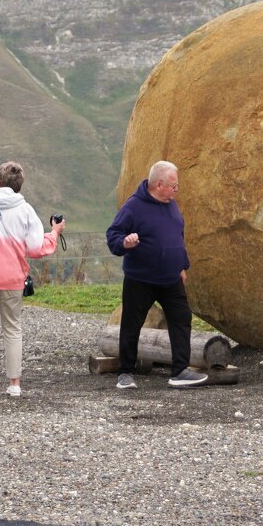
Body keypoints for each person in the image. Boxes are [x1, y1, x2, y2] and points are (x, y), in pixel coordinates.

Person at [0, 161, 64, 400]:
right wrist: (55, 233)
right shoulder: (26, 210)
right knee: (12, 329)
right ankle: (14, 384)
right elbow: (36, 248)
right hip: (12, 277)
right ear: (19, 185)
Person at [106, 160, 208, 390]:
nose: (176, 190)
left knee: (181, 318)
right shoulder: (133, 206)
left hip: (170, 277)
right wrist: (125, 242)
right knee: (132, 324)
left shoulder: (171, 205)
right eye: (173, 186)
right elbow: (113, 235)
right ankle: (126, 373)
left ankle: (180, 371)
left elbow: (177, 235)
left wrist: (182, 265)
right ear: (159, 184)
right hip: (140, 278)